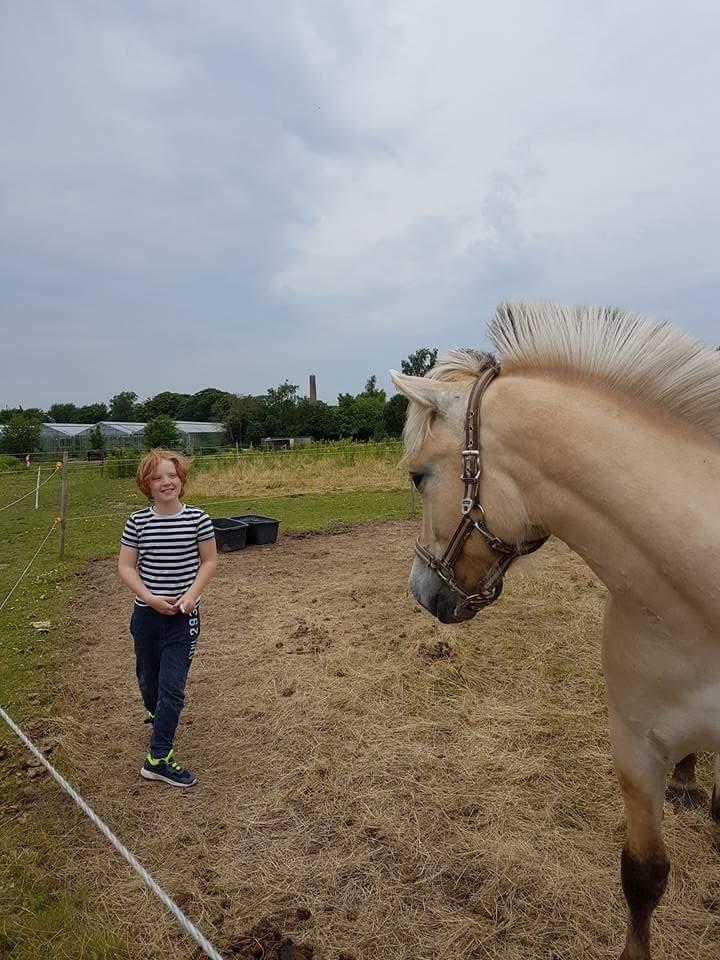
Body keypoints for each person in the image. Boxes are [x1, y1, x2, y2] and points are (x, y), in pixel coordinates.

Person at [117, 449, 217, 787]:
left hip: (183, 618)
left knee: (172, 688)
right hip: (146, 617)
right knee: (149, 680)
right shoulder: (137, 522)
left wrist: (190, 596)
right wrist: (149, 598)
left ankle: (158, 758)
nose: (166, 482)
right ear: (146, 484)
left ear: (181, 479)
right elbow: (126, 567)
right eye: (158, 477)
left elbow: (209, 562)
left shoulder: (198, 519)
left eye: (171, 475)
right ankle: (154, 712)